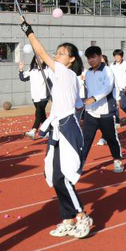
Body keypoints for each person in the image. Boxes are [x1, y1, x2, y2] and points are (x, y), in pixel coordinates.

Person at [20, 16, 94, 239]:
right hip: (58, 127)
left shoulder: (65, 72)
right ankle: (68, 219)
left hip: (67, 128)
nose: (57, 55)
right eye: (57, 52)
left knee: (64, 177)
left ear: (71, 59)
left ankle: (82, 216)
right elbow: (78, 103)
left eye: (62, 53)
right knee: (53, 175)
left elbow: (41, 54)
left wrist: (29, 32)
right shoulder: (65, 76)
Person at [79, 46, 124, 173]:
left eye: (93, 57)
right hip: (90, 113)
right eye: (88, 58)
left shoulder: (107, 71)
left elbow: (108, 87)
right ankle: (80, 164)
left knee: (111, 138)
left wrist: (94, 98)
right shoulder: (88, 73)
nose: (91, 60)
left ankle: (117, 160)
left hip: (106, 113)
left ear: (100, 56)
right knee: (85, 140)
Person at [19, 56, 49, 139]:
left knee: (38, 113)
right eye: (37, 58)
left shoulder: (47, 69)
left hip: (44, 96)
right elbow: (23, 78)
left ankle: (33, 131)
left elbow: (52, 81)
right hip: (34, 96)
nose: (39, 60)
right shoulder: (32, 70)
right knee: (42, 115)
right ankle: (49, 131)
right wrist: (21, 69)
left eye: (41, 58)